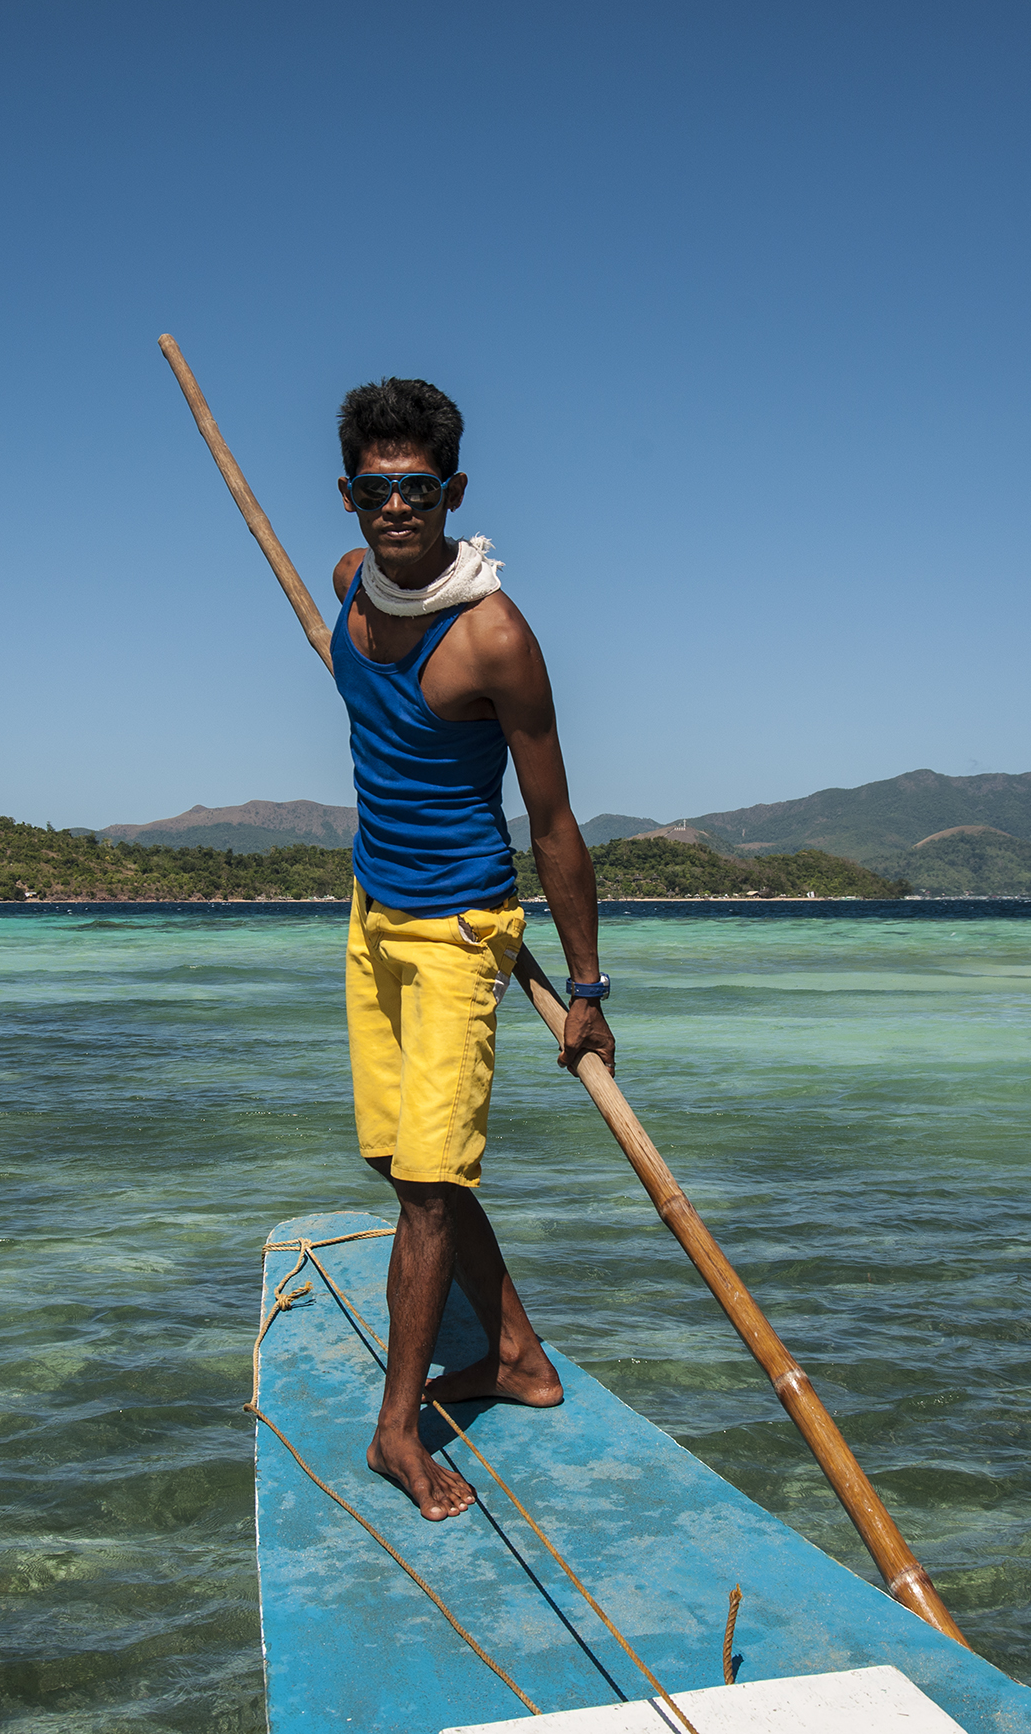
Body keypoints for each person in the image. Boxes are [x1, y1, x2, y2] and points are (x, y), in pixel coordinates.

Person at [327, 376, 615, 1522]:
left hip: (456, 932)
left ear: (450, 492)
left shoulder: (495, 637)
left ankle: (396, 1431)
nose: (393, 508)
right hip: (369, 913)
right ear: (346, 495)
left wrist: (586, 987)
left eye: (413, 489)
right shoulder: (348, 586)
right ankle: (516, 1359)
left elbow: (552, 824)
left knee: (430, 1200)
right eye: (370, 488)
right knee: (401, 1166)